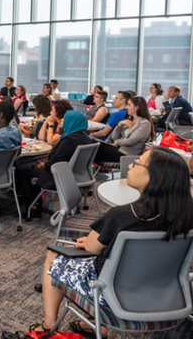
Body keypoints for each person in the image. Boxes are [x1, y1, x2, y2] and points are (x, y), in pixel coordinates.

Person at [29, 147, 193, 336]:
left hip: (112, 293)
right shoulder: (186, 217)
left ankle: (49, 324)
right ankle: (97, 324)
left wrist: (90, 241)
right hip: (164, 291)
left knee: (54, 254)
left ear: (154, 178)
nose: (131, 165)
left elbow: (92, 247)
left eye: (137, 163)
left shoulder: (122, 215)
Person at [16, 111, 93, 216]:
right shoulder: (84, 138)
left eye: (64, 119)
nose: (61, 120)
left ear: (71, 122)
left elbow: (52, 163)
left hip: (58, 176)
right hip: (76, 175)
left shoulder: (69, 140)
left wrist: (40, 164)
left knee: (24, 169)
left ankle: (34, 209)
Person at [95, 96, 155, 162]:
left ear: (136, 107)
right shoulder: (128, 120)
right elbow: (114, 137)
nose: (126, 107)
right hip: (119, 149)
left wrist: (117, 142)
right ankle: (87, 169)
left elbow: (130, 141)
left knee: (94, 147)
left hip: (128, 154)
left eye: (129, 105)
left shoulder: (144, 123)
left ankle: (86, 169)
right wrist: (119, 125)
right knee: (92, 145)